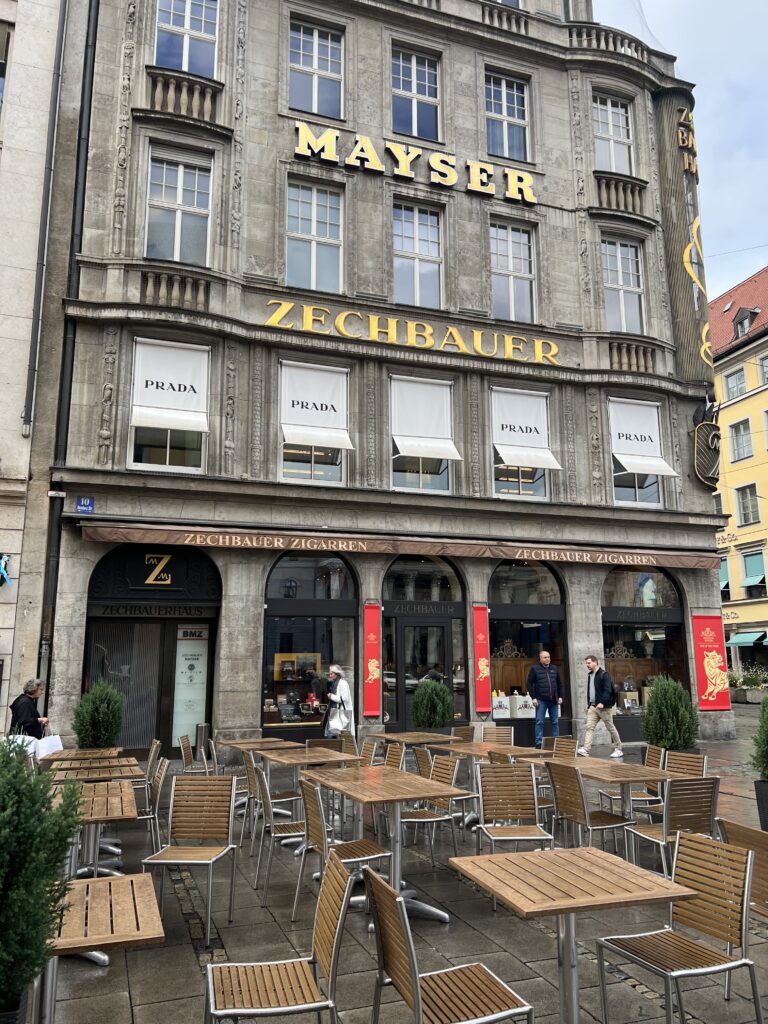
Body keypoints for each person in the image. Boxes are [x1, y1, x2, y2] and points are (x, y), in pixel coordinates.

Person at [578, 655, 623, 758]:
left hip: (603, 707)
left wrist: (602, 702)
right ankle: (586, 749)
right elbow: (591, 691)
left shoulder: (604, 674)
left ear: (595, 662)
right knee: (589, 727)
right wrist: (589, 704)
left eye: (589, 663)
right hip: (593, 707)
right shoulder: (590, 675)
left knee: (610, 727)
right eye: (586, 663)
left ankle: (619, 748)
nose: (587, 665)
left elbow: (608, 690)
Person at [526, 651, 563, 749]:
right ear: (540, 658)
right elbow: (529, 684)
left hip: (553, 700)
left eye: (548, 657)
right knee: (539, 722)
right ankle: (538, 743)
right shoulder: (535, 669)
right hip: (540, 700)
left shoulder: (554, 668)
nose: (547, 659)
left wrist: (560, 696)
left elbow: (559, 683)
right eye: (545, 657)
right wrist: (533, 697)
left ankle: (556, 742)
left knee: (555, 721)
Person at [325, 664, 354, 738]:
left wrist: (331, 696)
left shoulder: (342, 683)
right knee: (333, 736)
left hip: (340, 713)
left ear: (337, 673)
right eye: (329, 674)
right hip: (335, 713)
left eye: (331, 673)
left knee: (338, 737)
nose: (330, 675)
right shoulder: (335, 683)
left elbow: (344, 698)